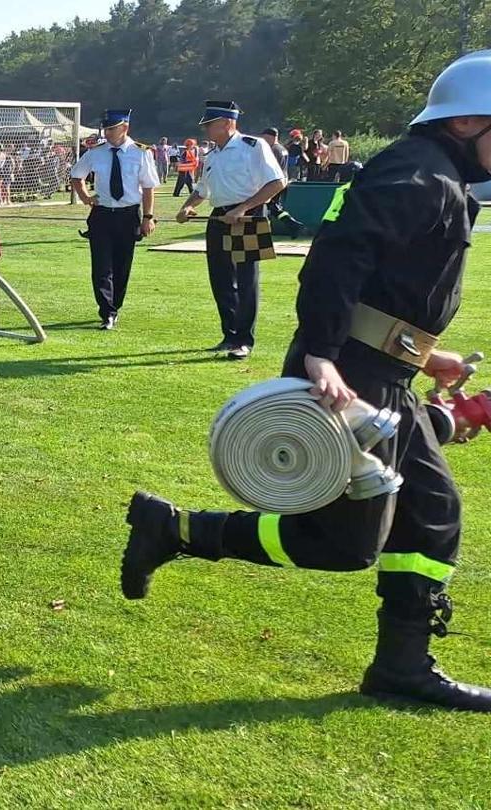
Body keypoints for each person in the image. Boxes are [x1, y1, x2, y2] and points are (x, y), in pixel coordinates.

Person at [122, 51, 491, 712]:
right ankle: (175, 530)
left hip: (382, 374)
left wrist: (422, 356)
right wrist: (321, 353)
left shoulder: (441, 177)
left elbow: (389, 287)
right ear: (467, 121)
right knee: (343, 545)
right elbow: (338, 256)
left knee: (433, 516)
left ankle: (402, 666)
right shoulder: (419, 174)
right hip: (347, 379)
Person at [175, 101, 287, 360]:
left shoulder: (253, 146)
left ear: (227, 123)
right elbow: (202, 189)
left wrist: (244, 208)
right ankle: (230, 334)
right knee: (221, 278)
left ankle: (244, 339)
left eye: (210, 124)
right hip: (219, 217)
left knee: (247, 280)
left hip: (247, 216)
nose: (206, 130)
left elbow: (277, 182)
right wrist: (188, 206)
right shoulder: (212, 155)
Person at [69, 109, 160, 331]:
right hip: (102, 215)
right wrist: (86, 198)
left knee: (122, 265)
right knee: (101, 266)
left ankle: (115, 306)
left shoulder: (141, 153)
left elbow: (148, 187)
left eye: (112, 129)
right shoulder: (96, 152)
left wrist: (148, 217)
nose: (107, 133)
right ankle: (106, 311)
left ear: (124, 128)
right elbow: (76, 176)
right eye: (106, 129)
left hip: (128, 214)